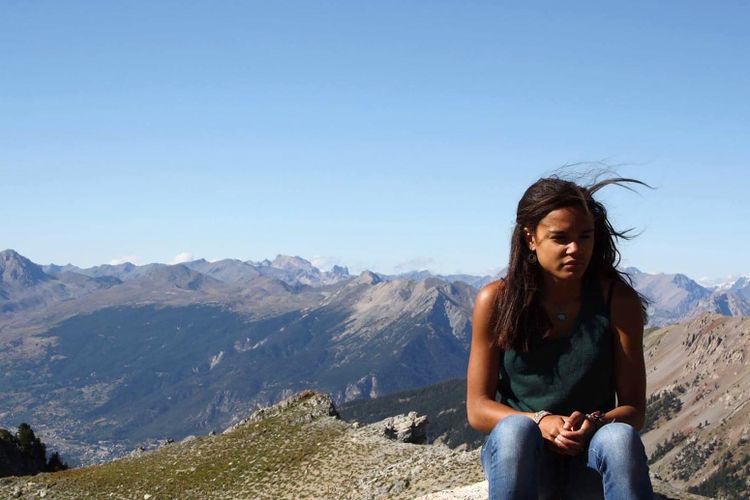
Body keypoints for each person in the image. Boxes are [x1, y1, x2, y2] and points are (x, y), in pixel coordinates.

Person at [466, 175, 654, 500]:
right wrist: (540, 421)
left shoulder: (617, 302)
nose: (575, 249)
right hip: (524, 456)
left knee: (619, 439)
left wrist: (594, 424)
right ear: (530, 238)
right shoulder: (495, 300)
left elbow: (634, 409)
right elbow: (478, 409)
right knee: (514, 431)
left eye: (585, 236)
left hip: (589, 456)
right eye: (560, 238)